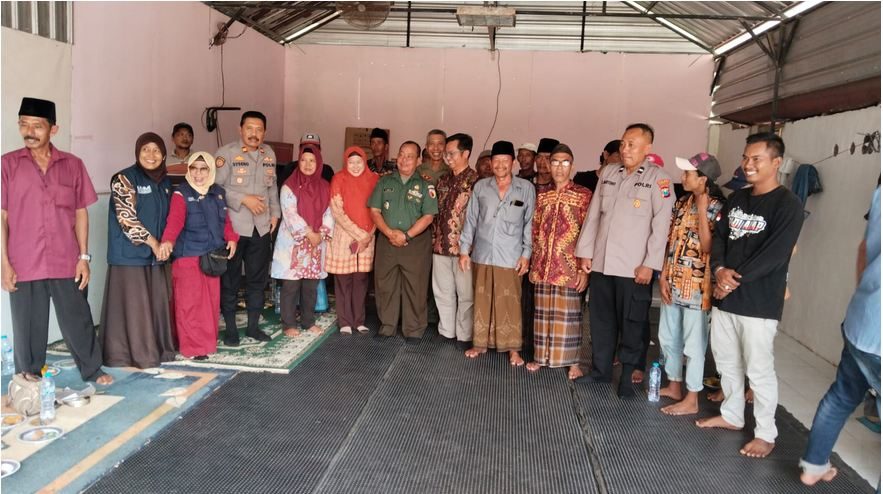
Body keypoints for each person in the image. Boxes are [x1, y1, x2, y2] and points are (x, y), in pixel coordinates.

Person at [696, 132, 805, 459]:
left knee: (758, 370)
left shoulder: (788, 205)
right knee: (726, 361)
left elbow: (775, 255)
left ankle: (765, 433)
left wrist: (732, 280)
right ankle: (732, 415)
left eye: (756, 158)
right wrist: (719, 270)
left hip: (759, 303)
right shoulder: (737, 199)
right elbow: (720, 240)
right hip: (726, 298)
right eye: (746, 157)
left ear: (776, 162)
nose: (748, 164)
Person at [1, 97, 112, 385]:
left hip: (66, 258)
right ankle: (28, 375)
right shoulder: (7, 165)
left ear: (54, 129)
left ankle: (92, 369)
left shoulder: (72, 165)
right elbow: (2, 216)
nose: (29, 132)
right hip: (24, 260)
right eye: (24, 125)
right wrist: (4, 263)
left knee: (78, 317)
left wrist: (84, 257)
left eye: (37, 126)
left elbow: (80, 212)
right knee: (27, 324)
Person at [575, 123, 674, 397]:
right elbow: (594, 215)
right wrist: (585, 252)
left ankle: (628, 377)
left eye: (632, 144)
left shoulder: (659, 180)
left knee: (632, 323)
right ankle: (600, 371)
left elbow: (661, 226)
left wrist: (650, 264)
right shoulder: (609, 173)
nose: (625, 149)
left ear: (647, 148)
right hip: (602, 263)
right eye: (623, 143)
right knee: (601, 320)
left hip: (634, 268)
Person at [799, 186, 880, 488]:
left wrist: (868, 298)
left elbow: (863, 250)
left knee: (842, 395)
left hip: (864, 319)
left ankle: (813, 466)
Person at [101, 132, 176, 369]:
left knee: (154, 304)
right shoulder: (124, 178)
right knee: (134, 307)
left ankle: (158, 350)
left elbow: (170, 218)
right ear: (137, 152)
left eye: (156, 150)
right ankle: (127, 355)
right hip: (130, 257)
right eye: (145, 150)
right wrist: (154, 244)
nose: (151, 155)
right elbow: (127, 219)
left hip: (156, 256)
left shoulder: (165, 182)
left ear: (164, 154)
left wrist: (167, 244)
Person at [657, 153, 725, 415]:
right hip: (673, 281)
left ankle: (692, 397)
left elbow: (708, 246)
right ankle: (674, 384)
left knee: (693, 344)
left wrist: (703, 206)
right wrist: (663, 275)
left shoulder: (718, 207)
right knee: (667, 336)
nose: (683, 177)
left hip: (698, 288)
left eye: (688, 173)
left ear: (703, 179)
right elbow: (671, 241)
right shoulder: (681, 202)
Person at [459, 140, 535, 366]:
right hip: (482, 253)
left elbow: (530, 223)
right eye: (496, 160)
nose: (500, 165)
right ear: (490, 163)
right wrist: (464, 250)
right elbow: (471, 220)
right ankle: (480, 343)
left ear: (513, 162)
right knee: (482, 299)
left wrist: (526, 253)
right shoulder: (481, 187)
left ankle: (513, 349)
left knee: (510, 301)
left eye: (505, 160)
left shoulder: (525, 188)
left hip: (510, 255)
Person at [160, 152, 238, 359]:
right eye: (194, 168)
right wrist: (168, 241)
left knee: (210, 304)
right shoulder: (181, 194)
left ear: (210, 171)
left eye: (203, 169)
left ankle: (205, 344)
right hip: (188, 257)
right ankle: (192, 347)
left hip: (212, 256)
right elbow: (174, 221)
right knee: (190, 305)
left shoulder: (218, 192)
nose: (198, 174)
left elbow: (226, 221)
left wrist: (231, 238)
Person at [215, 111, 280, 345]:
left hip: (261, 227)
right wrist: (244, 199)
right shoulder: (226, 154)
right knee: (230, 281)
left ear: (265, 132)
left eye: (259, 129)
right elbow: (215, 187)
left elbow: (272, 187)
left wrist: (275, 213)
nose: (254, 134)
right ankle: (231, 330)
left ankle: (253, 328)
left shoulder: (268, 153)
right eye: (249, 128)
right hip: (234, 228)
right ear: (240, 129)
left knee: (257, 281)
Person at [526, 144, 591, 378]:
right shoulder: (542, 195)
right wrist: (533, 262)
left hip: (570, 267)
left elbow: (588, 232)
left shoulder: (583, 195)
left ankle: (573, 363)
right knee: (543, 314)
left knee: (569, 316)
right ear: (548, 165)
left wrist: (584, 269)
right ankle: (541, 357)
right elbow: (534, 229)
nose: (559, 167)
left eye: (565, 163)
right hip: (544, 264)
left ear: (572, 166)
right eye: (555, 162)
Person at [369, 141, 438, 343]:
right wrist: (390, 233)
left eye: (410, 156)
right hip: (387, 241)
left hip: (415, 244)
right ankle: (387, 326)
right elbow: (374, 211)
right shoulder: (384, 182)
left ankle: (413, 329)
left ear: (418, 160)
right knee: (385, 284)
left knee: (415, 286)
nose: (404, 159)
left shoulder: (425, 185)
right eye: (401, 154)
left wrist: (406, 235)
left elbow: (428, 217)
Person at [271, 145, 332, 336]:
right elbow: (289, 213)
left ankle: (308, 321)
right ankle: (289, 324)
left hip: (316, 242)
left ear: (318, 163)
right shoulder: (289, 185)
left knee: (310, 286)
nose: (307, 164)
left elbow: (330, 212)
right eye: (303, 160)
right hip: (294, 243)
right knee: (291, 285)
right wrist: (309, 233)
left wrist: (321, 233)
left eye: (312, 160)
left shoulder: (325, 186)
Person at [432, 133, 479, 351]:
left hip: (464, 250)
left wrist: (468, 249)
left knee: (466, 294)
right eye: (446, 154)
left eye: (451, 154)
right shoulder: (443, 180)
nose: (447, 158)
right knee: (443, 291)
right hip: (440, 246)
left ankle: (464, 335)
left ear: (466, 153)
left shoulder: (477, 182)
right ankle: (447, 331)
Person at [326, 146, 379, 334]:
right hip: (345, 235)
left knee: (361, 280)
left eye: (359, 162)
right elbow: (337, 211)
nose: (355, 166)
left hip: (367, 237)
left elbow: (378, 210)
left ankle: (359, 321)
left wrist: (369, 233)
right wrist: (360, 234)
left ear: (365, 162)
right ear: (345, 163)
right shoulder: (339, 178)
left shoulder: (374, 179)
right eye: (351, 162)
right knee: (343, 280)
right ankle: (345, 322)